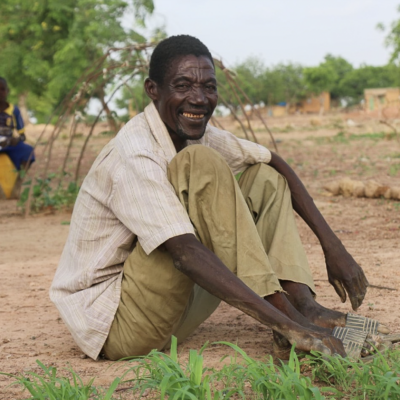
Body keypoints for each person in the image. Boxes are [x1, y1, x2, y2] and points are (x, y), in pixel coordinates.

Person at [50, 35, 387, 362]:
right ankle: (292, 325)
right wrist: (289, 327)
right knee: (200, 165)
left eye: (208, 87)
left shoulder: (195, 132)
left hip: (174, 315)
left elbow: (274, 161)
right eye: (182, 86)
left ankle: (304, 306)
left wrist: (334, 247)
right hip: (121, 325)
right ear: (153, 90)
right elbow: (184, 252)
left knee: (264, 177)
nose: (198, 98)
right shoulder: (135, 152)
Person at [0, 77, 35, 171]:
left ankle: (18, 182)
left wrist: (15, 140)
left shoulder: (14, 110)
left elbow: (22, 136)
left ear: (7, 91)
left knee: (28, 150)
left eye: (2, 89)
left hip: (7, 144)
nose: (0, 93)